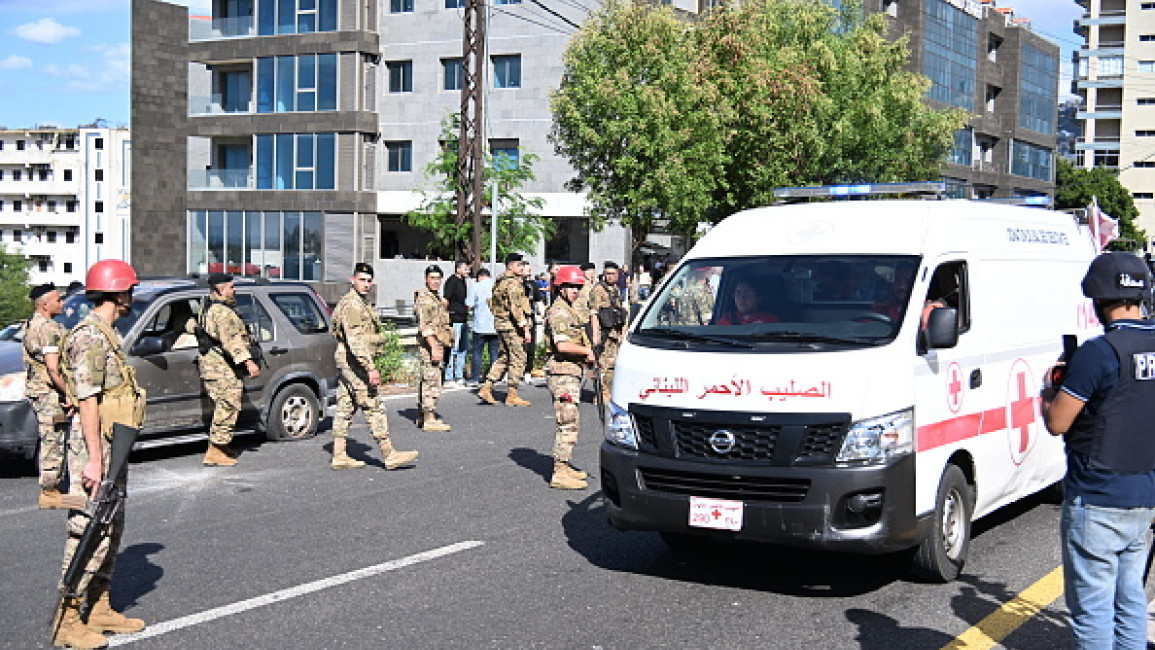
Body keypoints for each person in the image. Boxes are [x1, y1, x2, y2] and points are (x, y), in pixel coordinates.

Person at [1041, 251, 1155, 650]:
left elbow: (1058, 422)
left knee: (1093, 611)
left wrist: (1048, 391)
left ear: (1097, 299)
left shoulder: (1098, 352)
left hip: (1097, 497)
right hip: (1143, 493)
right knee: (1130, 601)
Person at [54, 259, 147, 648]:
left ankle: (99, 605)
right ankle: (67, 619)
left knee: (111, 526)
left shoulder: (107, 334)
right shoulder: (91, 338)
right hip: (97, 448)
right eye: (128, 290)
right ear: (116, 292)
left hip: (113, 444)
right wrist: (95, 459)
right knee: (89, 530)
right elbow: (89, 403)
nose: (131, 297)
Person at [330, 263, 419, 470]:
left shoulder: (360, 303)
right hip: (355, 363)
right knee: (373, 404)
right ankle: (389, 453)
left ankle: (339, 454)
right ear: (352, 280)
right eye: (362, 280)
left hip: (350, 361)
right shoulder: (352, 305)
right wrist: (370, 368)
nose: (366, 284)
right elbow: (356, 341)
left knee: (345, 406)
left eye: (369, 281)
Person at [197, 273, 260, 467]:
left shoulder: (208, 306)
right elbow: (232, 341)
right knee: (228, 404)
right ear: (220, 289)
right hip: (221, 368)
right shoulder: (222, 312)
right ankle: (215, 450)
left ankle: (221, 447)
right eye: (231, 287)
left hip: (215, 366)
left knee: (222, 405)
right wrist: (248, 362)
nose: (234, 290)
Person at [544, 265, 596, 490]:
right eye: (571, 286)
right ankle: (559, 470)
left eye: (578, 286)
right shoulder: (560, 312)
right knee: (567, 422)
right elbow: (562, 344)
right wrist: (587, 352)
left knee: (572, 421)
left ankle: (565, 465)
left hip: (571, 371)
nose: (575, 290)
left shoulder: (569, 308)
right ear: (560, 287)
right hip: (562, 373)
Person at [24, 283, 72, 508]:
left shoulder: (32, 324)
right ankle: (50, 491)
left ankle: (53, 487)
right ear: (45, 305)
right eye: (58, 300)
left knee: (50, 438)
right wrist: (68, 392)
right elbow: (53, 368)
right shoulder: (48, 328)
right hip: (49, 394)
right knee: (54, 439)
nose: (61, 304)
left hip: (38, 392)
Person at [477, 253, 532, 407]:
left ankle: (487, 386)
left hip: (501, 324)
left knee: (505, 357)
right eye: (519, 265)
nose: (522, 268)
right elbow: (516, 308)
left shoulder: (500, 281)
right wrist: (525, 328)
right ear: (510, 266)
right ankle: (512, 393)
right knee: (518, 357)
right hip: (511, 326)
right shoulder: (513, 284)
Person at [415, 265, 454, 432]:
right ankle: (429, 418)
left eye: (438, 278)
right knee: (432, 380)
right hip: (431, 345)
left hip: (438, 343)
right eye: (432, 278)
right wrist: (433, 348)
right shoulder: (424, 300)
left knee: (431, 379)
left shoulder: (434, 298)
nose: (436, 282)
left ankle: (424, 416)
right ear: (426, 279)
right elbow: (425, 326)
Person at [588, 262, 629, 404]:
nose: (611, 277)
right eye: (608, 274)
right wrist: (595, 334)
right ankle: (600, 394)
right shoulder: (598, 290)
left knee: (612, 365)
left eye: (614, 274)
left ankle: (609, 392)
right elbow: (594, 313)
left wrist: (623, 332)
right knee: (602, 365)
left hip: (615, 333)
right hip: (604, 334)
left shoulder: (615, 290)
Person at [466, 268, 498, 387]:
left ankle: (475, 378)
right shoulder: (497, 286)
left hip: (480, 325)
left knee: (477, 352)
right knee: (494, 352)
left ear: (479, 277)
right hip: (495, 325)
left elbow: (469, 305)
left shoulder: (476, 286)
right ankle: (493, 377)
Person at [442, 261, 470, 388]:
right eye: (465, 268)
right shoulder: (451, 281)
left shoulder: (463, 281)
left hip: (464, 319)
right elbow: (446, 299)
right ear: (458, 269)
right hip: (454, 319)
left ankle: (459, 375)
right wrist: (444, 316)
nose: (468, 271)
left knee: (463, 349)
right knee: (453, 348)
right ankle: (449, 377)